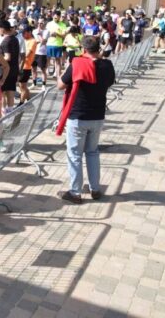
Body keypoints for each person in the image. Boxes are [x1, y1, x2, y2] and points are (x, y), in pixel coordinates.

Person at [56, 36, 115, 204]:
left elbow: (60, 85)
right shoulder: (107, 65)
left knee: (74, 154)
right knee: (92, 152)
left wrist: (64, 70)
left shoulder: (77, 64)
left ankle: (75, 192)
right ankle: (95, 188)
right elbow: (109, 82)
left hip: (78, 116)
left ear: (83, 49)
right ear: (98, 48)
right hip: (97, 115)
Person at [0, 20, 20, 111]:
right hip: (14, 68)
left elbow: (7, 57)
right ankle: (10, 112)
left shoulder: (6, 41)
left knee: (2, 92)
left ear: (2, 29)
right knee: (11, 91)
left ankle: (3, 113)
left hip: (5, 69)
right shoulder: (15, 38)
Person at [18, 26, 38, 104]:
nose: (23, 34)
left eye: (25, 33)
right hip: (21, 65)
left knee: (22, 86)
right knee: (22, 86)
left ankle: (21, 103)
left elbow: (27, 54)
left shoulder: (32, 41)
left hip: (26, 67)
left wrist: (19, 56)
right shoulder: (23, 40)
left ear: (30, 32)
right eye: (22, 33)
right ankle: (29, 100)